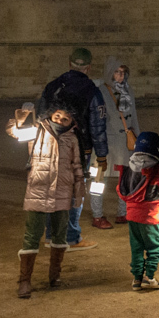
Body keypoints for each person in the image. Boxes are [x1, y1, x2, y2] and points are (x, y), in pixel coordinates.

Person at [6, 103, 81, 298]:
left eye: (65, 118)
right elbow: (13, 132)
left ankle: (55, 276)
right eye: (57, 116)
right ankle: (24, 280)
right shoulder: (37, 131)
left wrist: (79, 190)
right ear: (50, 115)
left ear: (72, 122)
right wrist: (21, 117)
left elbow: (77, 165)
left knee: (59, 234)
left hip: (63, 191)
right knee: (32, 235)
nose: (60, 120)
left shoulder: (72, 139)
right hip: (38, 190)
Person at [39, 48, 109, 249]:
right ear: (89, 67)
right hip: (79, 149)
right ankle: (70, 236)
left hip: (51, 146)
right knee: (75, 191)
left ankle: (51, 234)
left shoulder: (53, 86)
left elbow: (41, 115)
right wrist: (102, 155)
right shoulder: (92, 91)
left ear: (70, 64)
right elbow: (98, 126)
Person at [117, 131, 159, 290]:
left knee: (136, 248)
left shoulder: (129, 169)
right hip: (151, 217)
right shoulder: (158, 171)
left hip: (132, 216)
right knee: (153, 248)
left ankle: (136, 279)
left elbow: (120, 190)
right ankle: (150, 278)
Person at [97, 58, 141, 225]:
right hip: (107, 142)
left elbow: (133, 117)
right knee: (100, 179)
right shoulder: (101, 92)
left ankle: (122, 212)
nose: (121, 75)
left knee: (125, 178)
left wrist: (139, 139)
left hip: (125, 142)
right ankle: (97, 214)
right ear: (110, 73)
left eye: (123, 72)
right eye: (117, 72)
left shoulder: (128, 91)